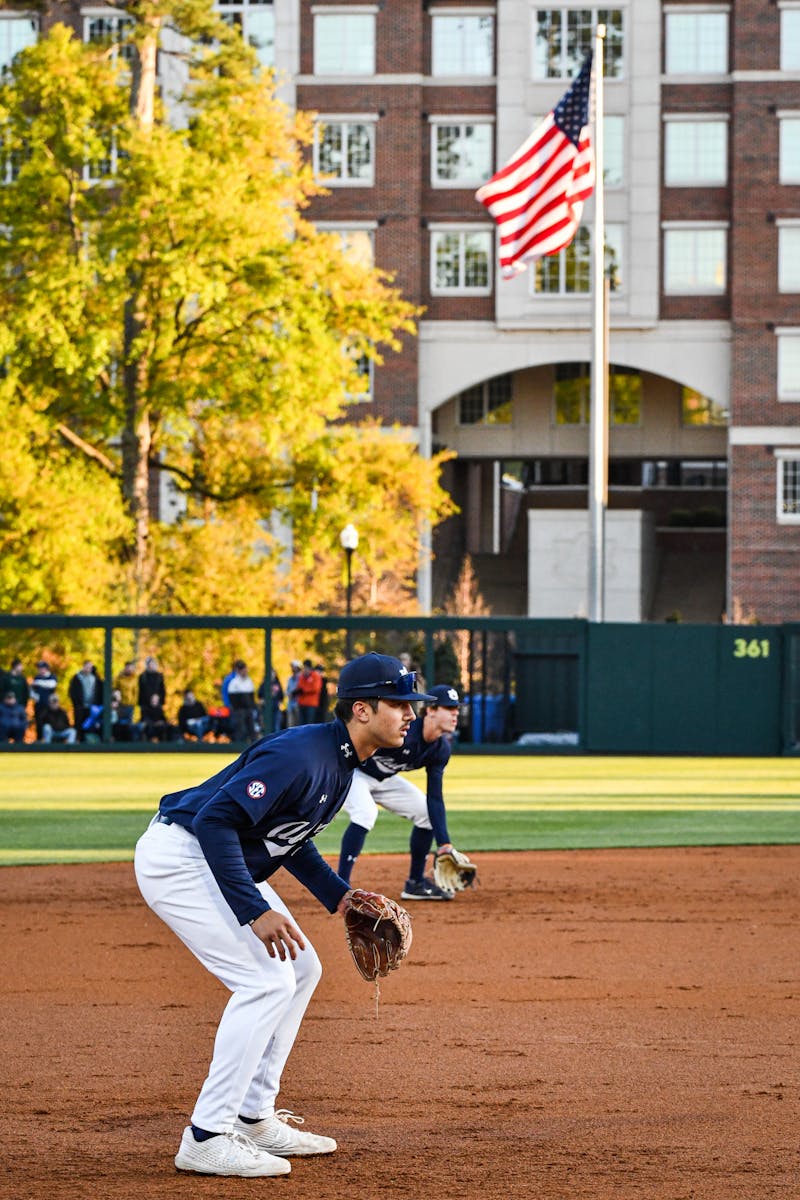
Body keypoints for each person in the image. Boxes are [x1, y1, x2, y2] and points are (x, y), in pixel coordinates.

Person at [133, 652, 435, 1179]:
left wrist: (339, 897)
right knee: (265, 980)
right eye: (398, 703)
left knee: (301, 970)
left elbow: (288, 840)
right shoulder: (303, 755)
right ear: (361, 710)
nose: (410, 714)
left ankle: (253, 1115)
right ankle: (206, 1136)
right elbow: (214, 822)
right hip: (181, 857)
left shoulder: (341, 764)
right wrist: (252, 911)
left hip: (212, 857)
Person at [337, 683, 464, 901]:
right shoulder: (405, 730)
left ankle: (415, 884)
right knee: (366, 813)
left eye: (457, 710)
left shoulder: (440, 749)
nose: (455, 714)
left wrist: (444, 844)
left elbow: (435, 797)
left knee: (426, 813)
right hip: (353, 771)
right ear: (430, 710)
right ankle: (339, 888)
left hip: (383, 779)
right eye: (449, 709)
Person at [68, 661, 103, 743]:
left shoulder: (95, 678)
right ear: (83, 667)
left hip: (92, 707)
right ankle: (78, 740)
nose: (88, 669)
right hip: (80, 706)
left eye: (90, 667)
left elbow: (98, 692)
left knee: (90, 725)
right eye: (87, 667)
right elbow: (72, 692)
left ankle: (89, 741)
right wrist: (76, 703)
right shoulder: (77, 678)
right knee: (79, 724)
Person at [228, 660, 258, 742]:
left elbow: (252, 697)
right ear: (238, 671)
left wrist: (253, 707)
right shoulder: (234, 683)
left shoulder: (249, 681)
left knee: (252, 729)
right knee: (241, 730)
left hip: (249, 710)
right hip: (239, 710)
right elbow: (233, 699)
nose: (245, 672)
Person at [30, 660, 58, 739]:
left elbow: (52, 684)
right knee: (39, 723)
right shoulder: (37, 677)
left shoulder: (51, 676)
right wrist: (35, 696)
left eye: (42, 668)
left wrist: (38, 682)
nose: (40, 670)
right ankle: (39, 740)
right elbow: (32, 691)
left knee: (50, 723)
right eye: (39, 668)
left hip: (49, 706)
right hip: (39, 705)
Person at [138, 656, 165, 721]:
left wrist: (158, 698)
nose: (151, 665)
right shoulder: (142, 676)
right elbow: (141, 691)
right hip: (145, 705)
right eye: (150, 664)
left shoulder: (159, 676)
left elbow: (162, 690)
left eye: (153, 664)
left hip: (157, 705)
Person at [295, 659, 322, 724]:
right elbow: (299, 686)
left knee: (309, 723)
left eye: (306, 668)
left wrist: (304, 690)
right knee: (301, 723)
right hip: (301, 703)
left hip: (311, 704)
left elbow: (315, 688)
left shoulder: (315, 676)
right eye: (304, 668)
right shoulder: (302, 676)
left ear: (310, 668)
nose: (304, 670)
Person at [284, 661, 301, 727]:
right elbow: (287, 690)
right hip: (290, 704)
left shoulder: (301, 678)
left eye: (294, 667)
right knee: (290, 724)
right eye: (292, 667)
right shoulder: (290, 678)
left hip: (298, 703)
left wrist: (293, 694)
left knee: (298, 723)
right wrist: (288, 694)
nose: (292, 668)